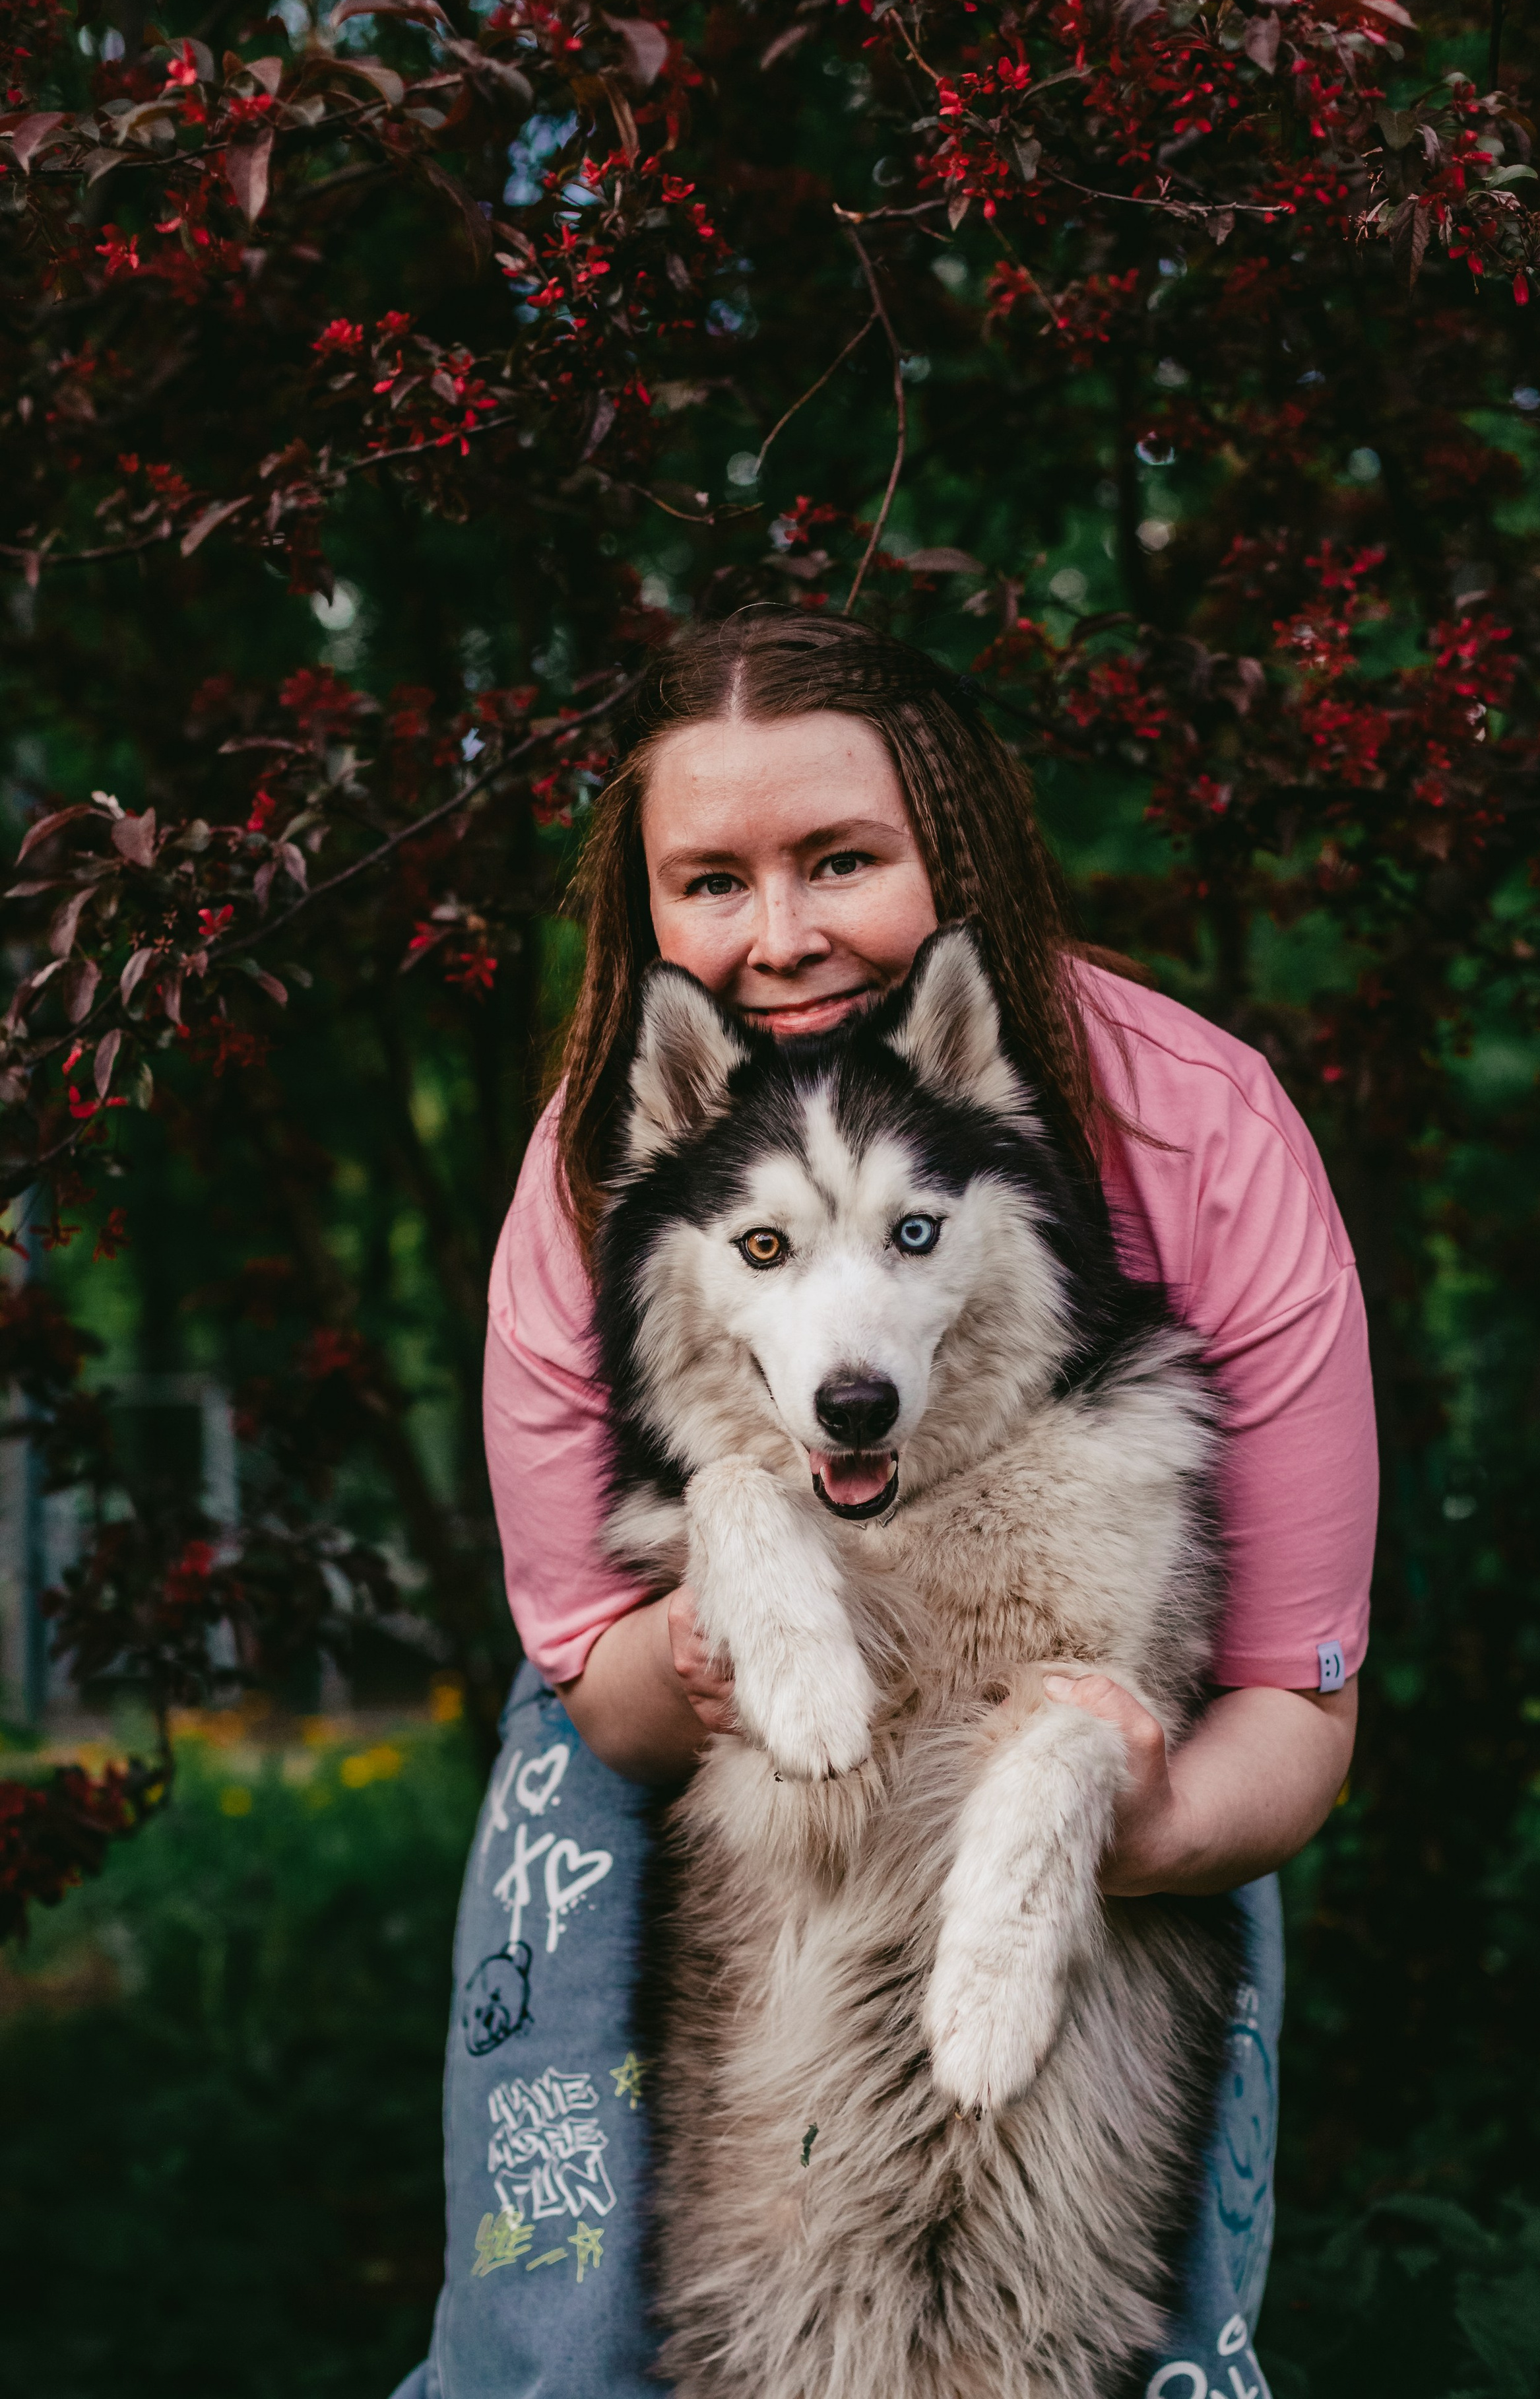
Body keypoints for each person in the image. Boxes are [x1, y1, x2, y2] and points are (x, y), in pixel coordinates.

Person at [392, 612, 1374, 2399]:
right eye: (712, 882)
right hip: (685, 1734)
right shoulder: (594, 1169)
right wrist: (722, 1621)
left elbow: (1292, 1704)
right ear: (651, 914)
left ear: (957, 853)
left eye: (840, 859)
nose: (779, 936)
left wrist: (1113, 1827)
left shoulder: (1198, 1126)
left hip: (1127, 1736)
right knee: (559, 2347)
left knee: (1137, 2340)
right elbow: (599, 1675)